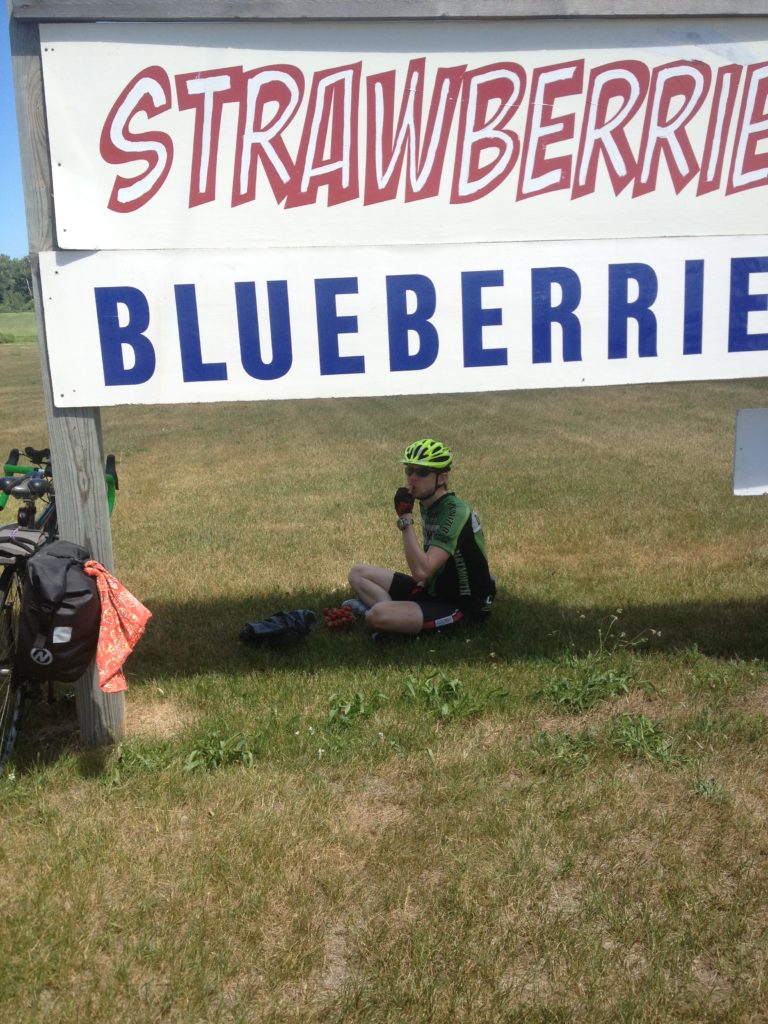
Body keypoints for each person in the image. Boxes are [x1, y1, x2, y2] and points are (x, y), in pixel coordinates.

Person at [346, 438, 496, 636]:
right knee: (357, 573)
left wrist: (405, 518)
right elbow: (432, 561)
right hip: (434, 591)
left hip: (462, 606)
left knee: (377, 616)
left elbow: (421, 570)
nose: (412, 478)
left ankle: (383, 617)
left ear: (441, 478)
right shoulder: (428, 504)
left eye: (422, 472)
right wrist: (423, 584)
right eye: (409, 470)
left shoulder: (455, 511)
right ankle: (394, 617)